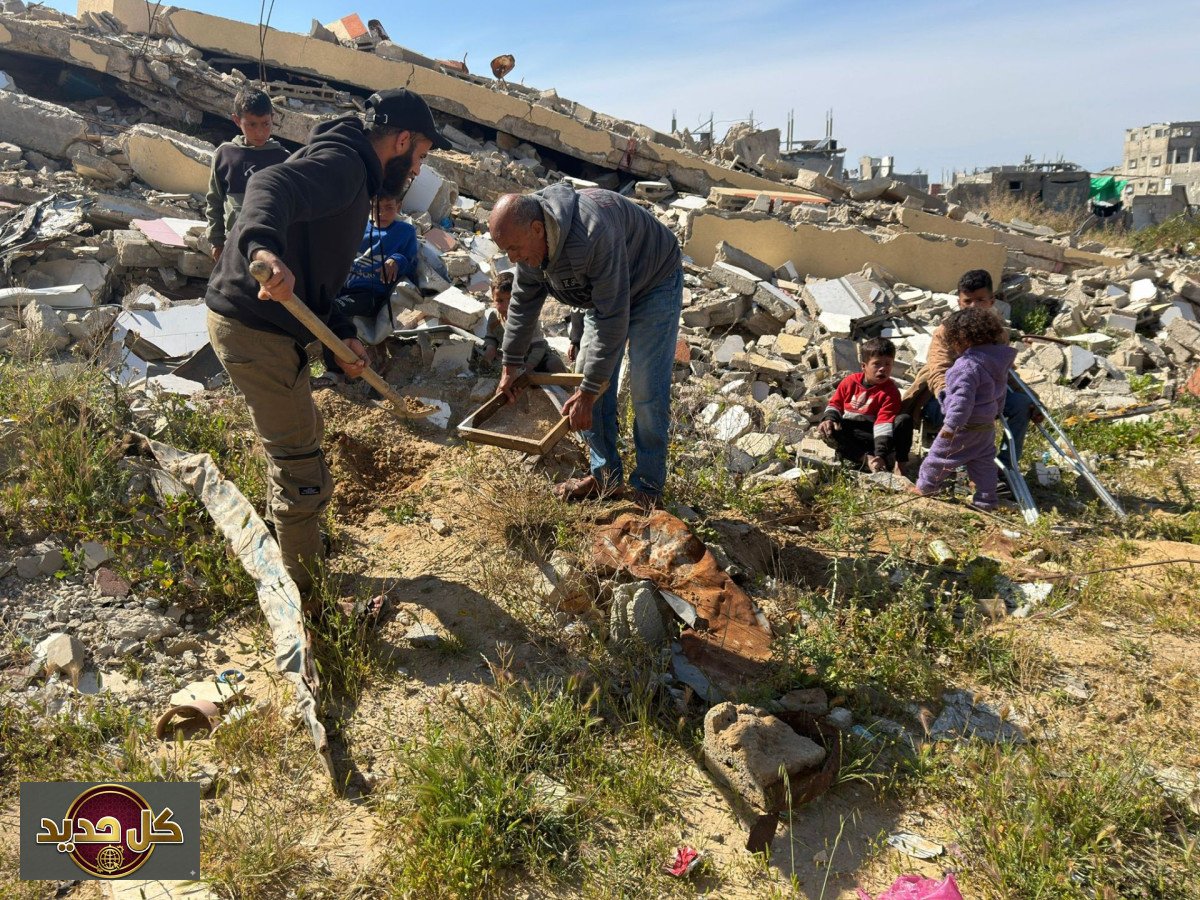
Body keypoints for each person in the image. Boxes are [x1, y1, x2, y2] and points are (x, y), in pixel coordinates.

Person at [205, 88, 449, 600]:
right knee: (302, 471)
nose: (417, 171)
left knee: (305, 431)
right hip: (256, 326)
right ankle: (308, 599)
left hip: (272, 325)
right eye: (420, 157)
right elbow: (269, 183)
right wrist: (263, 248)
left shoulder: (348, 165)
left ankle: (297, 542)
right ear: (402, 140)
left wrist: (341, 336)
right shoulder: (346, 165)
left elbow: (316, 278)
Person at [488, 184, 683, 507]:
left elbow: (613, 319)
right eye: (506, 251)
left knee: (645, 388)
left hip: (653, 281)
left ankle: (648, 485)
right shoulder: (530, 242)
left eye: (514, 248)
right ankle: (605, 476)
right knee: (586, 376)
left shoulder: (593, 234)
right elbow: (522, 304)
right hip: (605, 294)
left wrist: (589, 392)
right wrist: (511, 365)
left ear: (537, 229)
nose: (513, 258)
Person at [904, 269, 1034, 467]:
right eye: (968, 301)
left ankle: (1006, 466)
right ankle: (963, 464)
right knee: (960, 411)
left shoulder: (998, 334)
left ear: (991, 301)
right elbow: (938, 370)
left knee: (1022, 404)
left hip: (986, 398)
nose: (974, 306)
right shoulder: (945, 332)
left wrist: (1034, 399)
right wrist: (953, 400)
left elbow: (1005, 372)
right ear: (959, 302)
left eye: (980, 300)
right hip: (945, 399)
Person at [915, 307, 1016, 511]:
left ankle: (924, 490)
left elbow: (962, 400)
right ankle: (986, 501)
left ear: (962, 339)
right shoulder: (997, 362)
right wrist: (995, 413)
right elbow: (1001, 393)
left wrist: (951, 426)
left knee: (937, 458)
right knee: (984, 464)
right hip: (985, 426)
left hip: (964, 426)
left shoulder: (967, 365)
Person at [204, 88, 290, 263]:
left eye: (266, 123)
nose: (260, 132)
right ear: (237, 120)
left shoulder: (283, 158)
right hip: (233, 243)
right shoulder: (225, 154)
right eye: (252, 124)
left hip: (269, 247)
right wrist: (216, 241)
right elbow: (215, 200)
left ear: (272, 118)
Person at [817, 337, 913, 474]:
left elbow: (883, 422)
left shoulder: (891, 392)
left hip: (876, 435)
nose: (882, 369)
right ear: (864, 366)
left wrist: (880, 453)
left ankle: (899, 464)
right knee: (831, 430)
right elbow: (835, 404)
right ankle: (867, 459)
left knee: (904, 420)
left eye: (888, 364)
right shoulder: (849, 382)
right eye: (877, 364)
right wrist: (829, 419)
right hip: (853, 433)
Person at [332, 190, 419, 322]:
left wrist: (396, 260)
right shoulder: (360, 226)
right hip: (342, 286)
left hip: (370, 295)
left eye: (388, 207)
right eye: (375, 207)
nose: (380, 213)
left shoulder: (405, 232)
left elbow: (412, 267)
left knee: (335, 308)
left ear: (399, 206)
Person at [480, 271, 566, 373]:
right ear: (493, 300)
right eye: (500, 301)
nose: (506, 306)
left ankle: (566, 387)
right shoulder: (494, 317)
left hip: (538, 358)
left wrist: (529, 366)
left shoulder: (528, 317)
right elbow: (491, 339)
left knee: (554, 363)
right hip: (514, 360)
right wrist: (489, 353)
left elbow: (538, 348)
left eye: (510, 300)